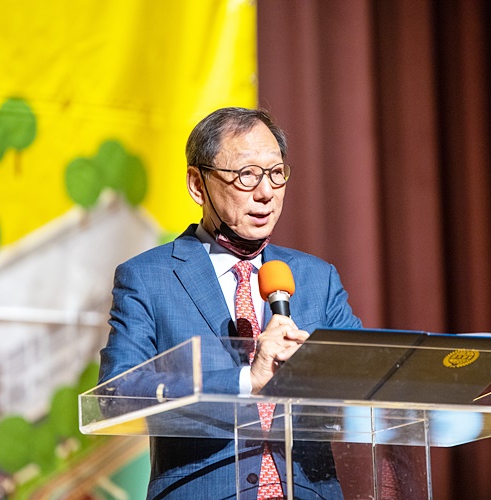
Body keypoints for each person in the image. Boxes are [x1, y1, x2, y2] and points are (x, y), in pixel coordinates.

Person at [98, 107, 362, 499]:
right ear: (198, 185)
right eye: (246, 175)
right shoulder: (148, 277)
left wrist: (320, 368)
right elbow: (117, 394)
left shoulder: (316, 277)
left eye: (276, 173)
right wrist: (245, 382)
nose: (266, 192)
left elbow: (370, 374)